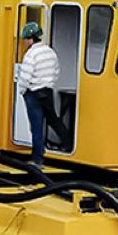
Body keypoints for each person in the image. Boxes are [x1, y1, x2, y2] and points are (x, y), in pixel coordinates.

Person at [17, 21, 71, 167]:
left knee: (36, 126)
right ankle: (67, 143)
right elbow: (56, 71)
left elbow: (25, 76)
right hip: (47, 91)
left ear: (30, 39)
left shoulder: (31, 54)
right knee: (54, 119)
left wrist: (22, 91)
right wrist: (49, 83)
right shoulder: (50, 52)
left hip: (33, 93)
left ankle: (37, 159)